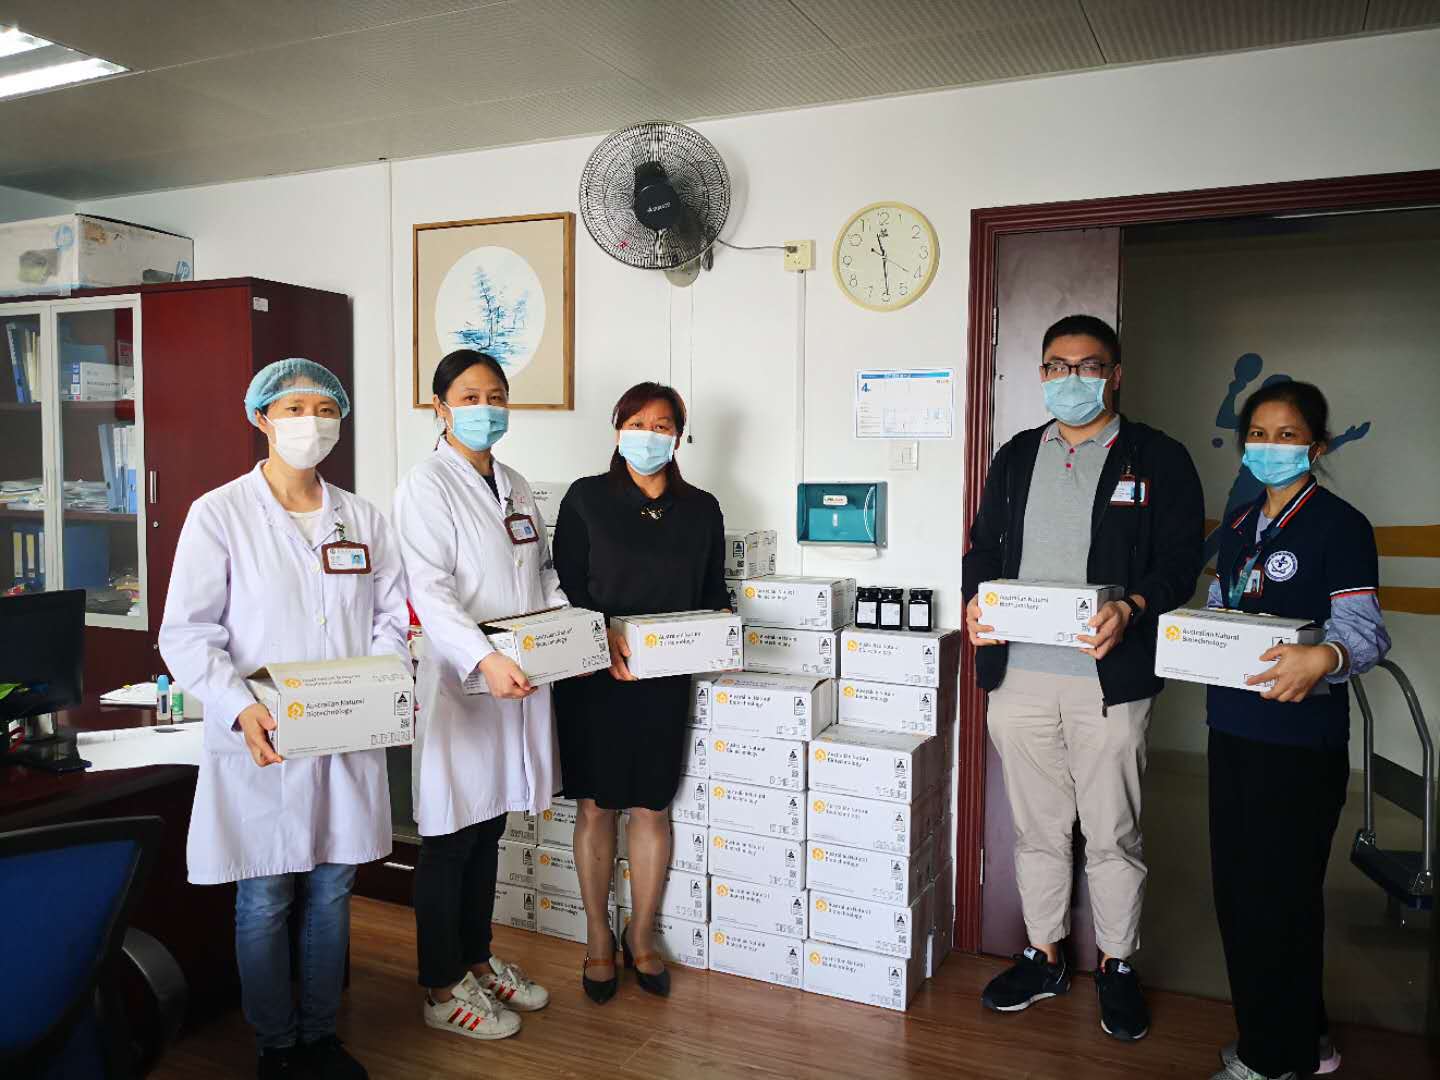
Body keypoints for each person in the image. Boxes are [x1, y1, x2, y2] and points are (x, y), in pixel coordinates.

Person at [160, 358, 409, 1080]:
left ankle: (320, 1037)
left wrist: (378, 681)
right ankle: (275, 1045)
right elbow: (188, 632)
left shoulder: (362, 517)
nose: (311, 422)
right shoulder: (220, 513)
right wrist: (240, 706)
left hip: (345, 730)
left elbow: (392, 616)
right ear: (261, 417)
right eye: (294, 408)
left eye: (325, 409)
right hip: (262, 733)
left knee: (332, 889)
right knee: (265, 894)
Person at [961, 314, 1204, 1041]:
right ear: (1042, 374)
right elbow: (982, 549)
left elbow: (1179, 563)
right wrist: (976, 603)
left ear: (1115, 375)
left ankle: (1118, 962)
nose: (1072, 380)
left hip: (1109, 680)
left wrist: (1133, 608)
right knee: (1036, 829)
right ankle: (1044, 955)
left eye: (1089, 366)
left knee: (1112, 833)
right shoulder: (1015, 457)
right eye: (1058, 367)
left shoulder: (1157, 458)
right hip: (1019, 676)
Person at [1206, 381, 1388, 1080]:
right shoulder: (1240, 524)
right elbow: (1223, 605)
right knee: (1244, 892)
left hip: (1298, 743)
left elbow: (1365, 632)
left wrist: (1325, 657)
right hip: (1234, 727)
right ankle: (1306, 1038)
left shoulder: (1340, 526)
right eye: (1259, 433)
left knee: (1276, 900)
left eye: (1287, 435)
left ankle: (1270, 1058)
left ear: (1316, 446)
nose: (1270, 447)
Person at [395, 350, 558, 1041]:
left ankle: (476, 959)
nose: (485, 407)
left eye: (496, 395)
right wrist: (484, 658)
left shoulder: (514, 484)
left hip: (515, 679)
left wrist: (567, 637)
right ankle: (440, 988)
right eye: (469, 396)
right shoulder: (425, 485)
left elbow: (542, 574)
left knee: (489, 825)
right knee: (449, 835)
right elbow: (429, 591)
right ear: (440, 407)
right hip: (460, 680)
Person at [552, 382, 729, 1003]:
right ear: (617, 429)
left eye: (661, 426)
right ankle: (598, 936)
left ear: (678, 436)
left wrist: (722, 638)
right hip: (595, 677)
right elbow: (567, 589)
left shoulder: (701, 508)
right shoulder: (586, 498)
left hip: (663, 679)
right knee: (597, 806)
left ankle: (643, 933)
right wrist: (603, 636)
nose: (648, 436)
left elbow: (712, 590)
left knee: (653, 807)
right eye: (637, 423)